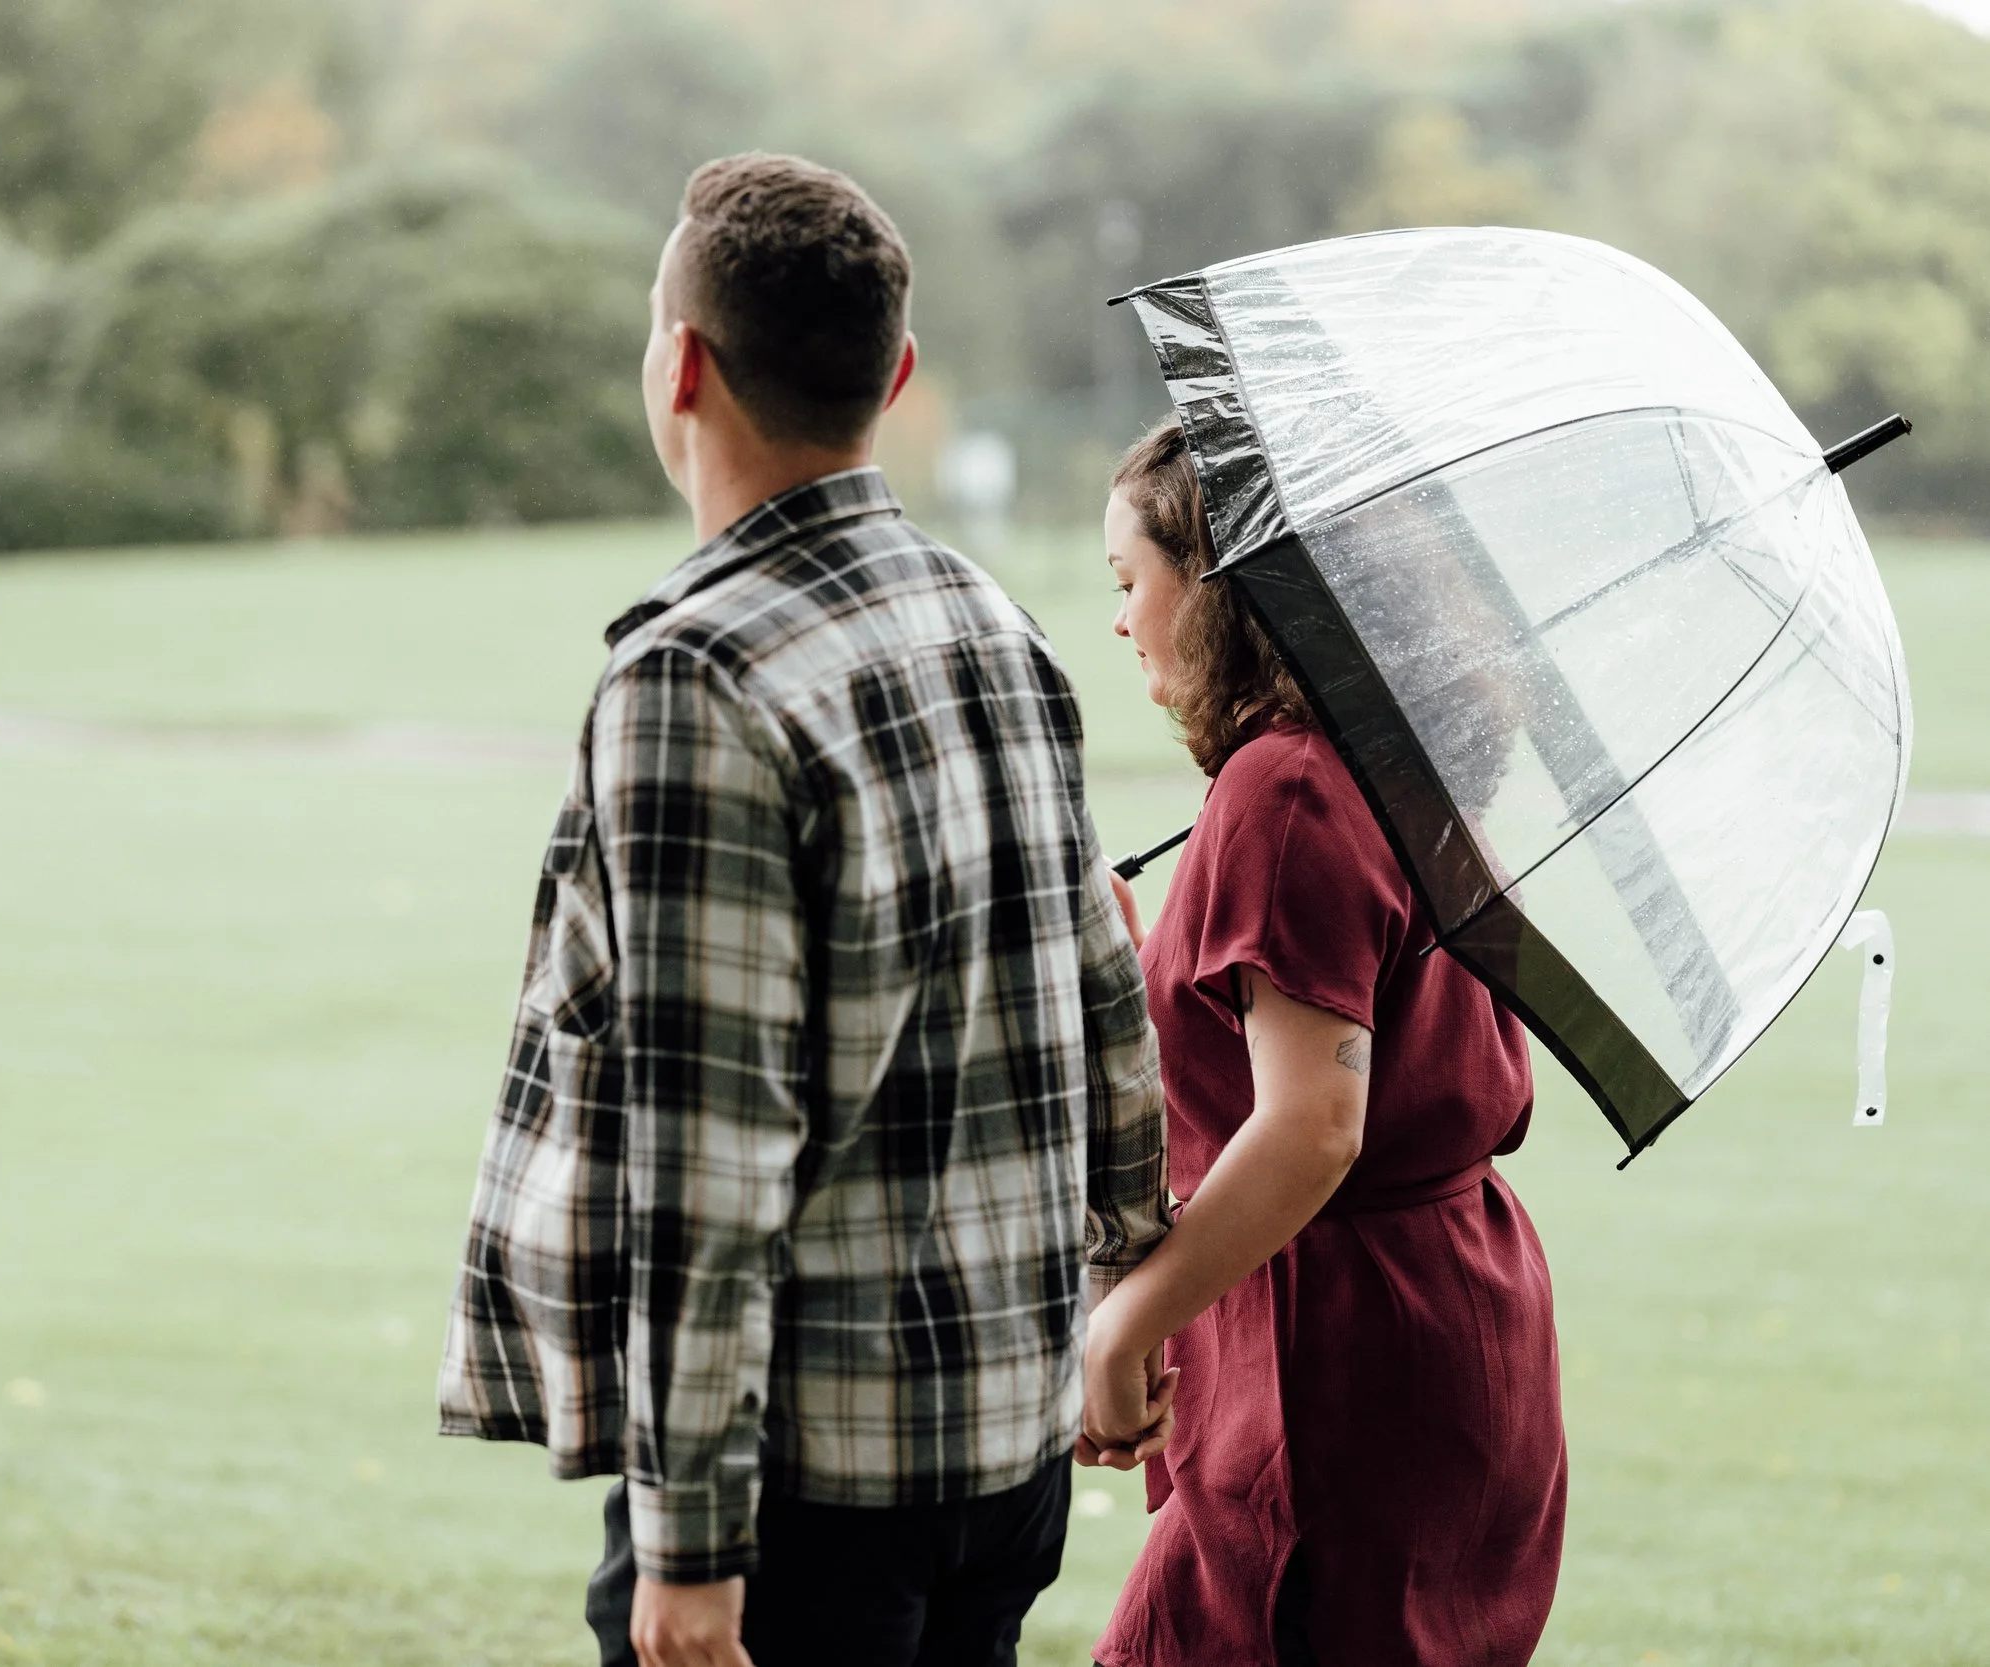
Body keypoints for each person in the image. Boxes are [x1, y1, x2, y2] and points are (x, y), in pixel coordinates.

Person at [437, 153, 1172, 1667]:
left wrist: (693, 1546)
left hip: (806, 1491)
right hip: (1002, 1447)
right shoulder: (992, 621)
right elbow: (1106, 978)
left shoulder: (693, 678)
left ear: (681, 365)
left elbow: (711, 1142)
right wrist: (1127, 1276)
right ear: (897, 375)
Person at [1084, 420, 1567, 1666]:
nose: (1121, 621)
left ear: (1217, 586)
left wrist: (1123, 1323)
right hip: (1450, 1322)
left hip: (1335, 1357)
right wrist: (1147, 953)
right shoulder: (1400, 763)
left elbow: (1313, 1122)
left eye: (1129, 582)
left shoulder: (1286, 787)